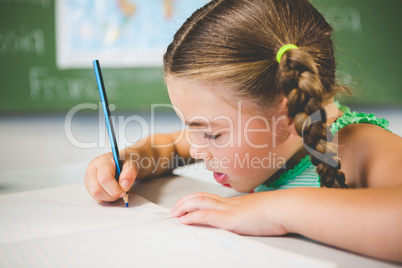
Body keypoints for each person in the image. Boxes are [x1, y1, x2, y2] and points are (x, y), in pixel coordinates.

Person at [85, 0, 402, 262]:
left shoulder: (356, 145)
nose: (196, 149)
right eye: (193, 130)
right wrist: (131, 160)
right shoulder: (244, 134)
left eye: (212, 135)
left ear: (286, 116)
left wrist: (274, 210)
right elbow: (167, 148)